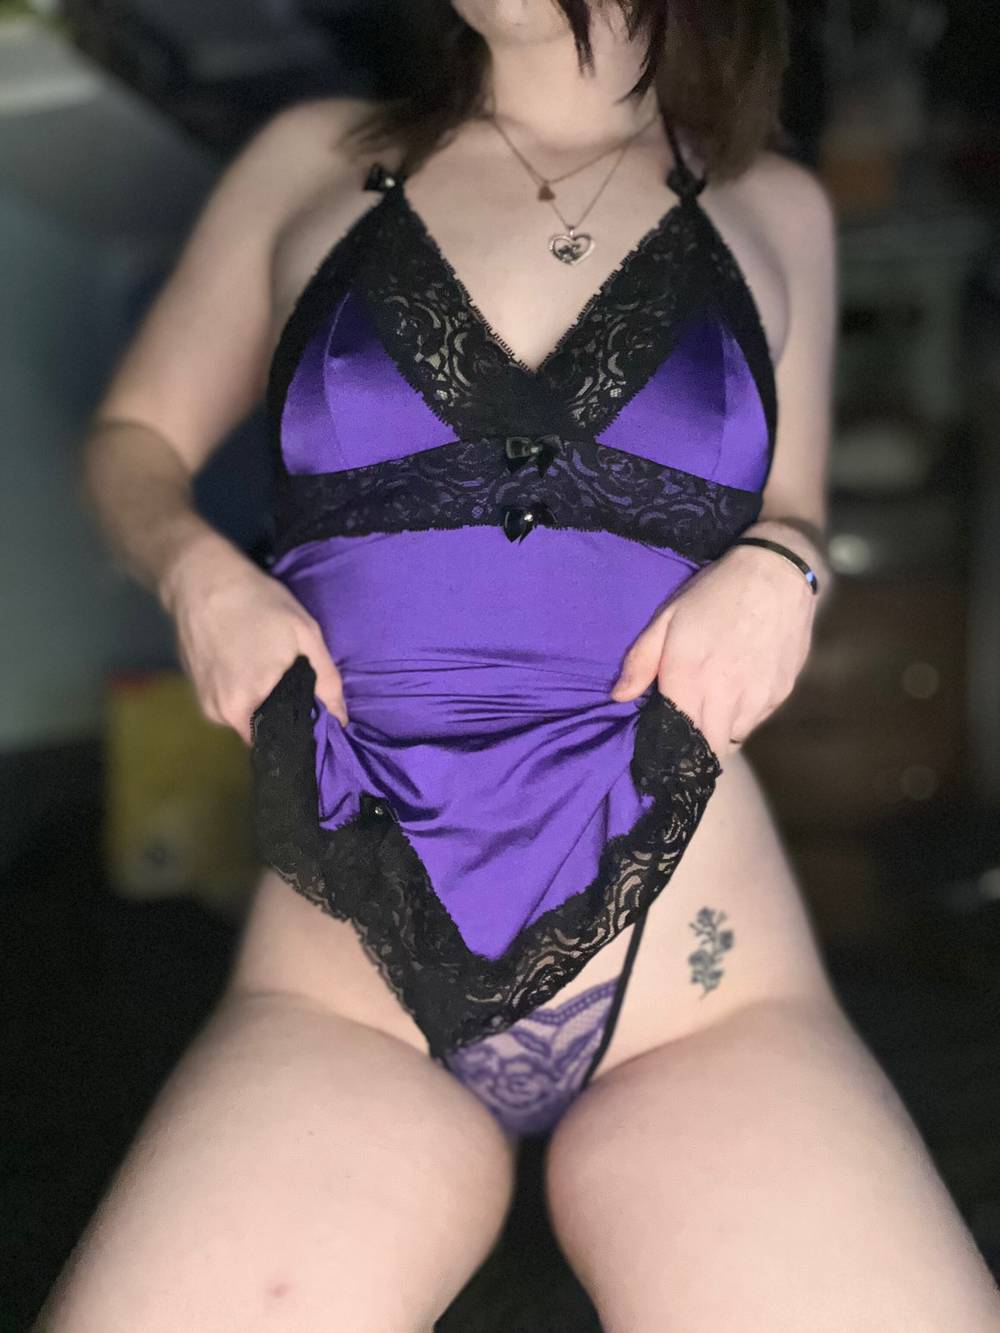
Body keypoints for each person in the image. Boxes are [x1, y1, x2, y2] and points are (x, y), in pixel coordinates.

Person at [38, 2, 1000, 1329]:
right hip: (345, 981)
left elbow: (793, 508)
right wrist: (196, 572)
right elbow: (132, 441)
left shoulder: (779, 205)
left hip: (694, 978)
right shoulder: (314, 155)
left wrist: (786, 565)